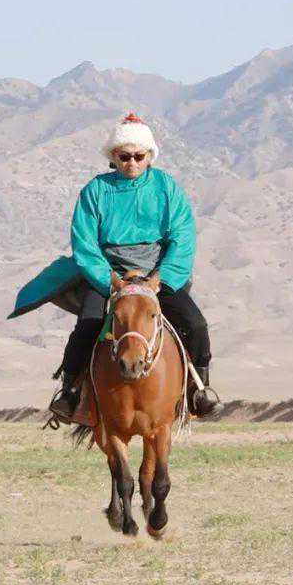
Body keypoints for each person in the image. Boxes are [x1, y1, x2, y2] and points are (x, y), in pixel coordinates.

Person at [52, 112, 223, 419]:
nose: (131, 162)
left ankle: (200, 391)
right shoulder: (95, 192)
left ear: (149, 156)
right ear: (113, 157)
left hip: (156, 274)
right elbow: (85, 244)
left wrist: (161, 278)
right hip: (109, 274)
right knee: (88, 325)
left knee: (195, 323)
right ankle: (70, 392)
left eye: (138, 156)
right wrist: (111, 280)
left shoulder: (166, 188)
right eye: (124, 156)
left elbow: (182, 237)